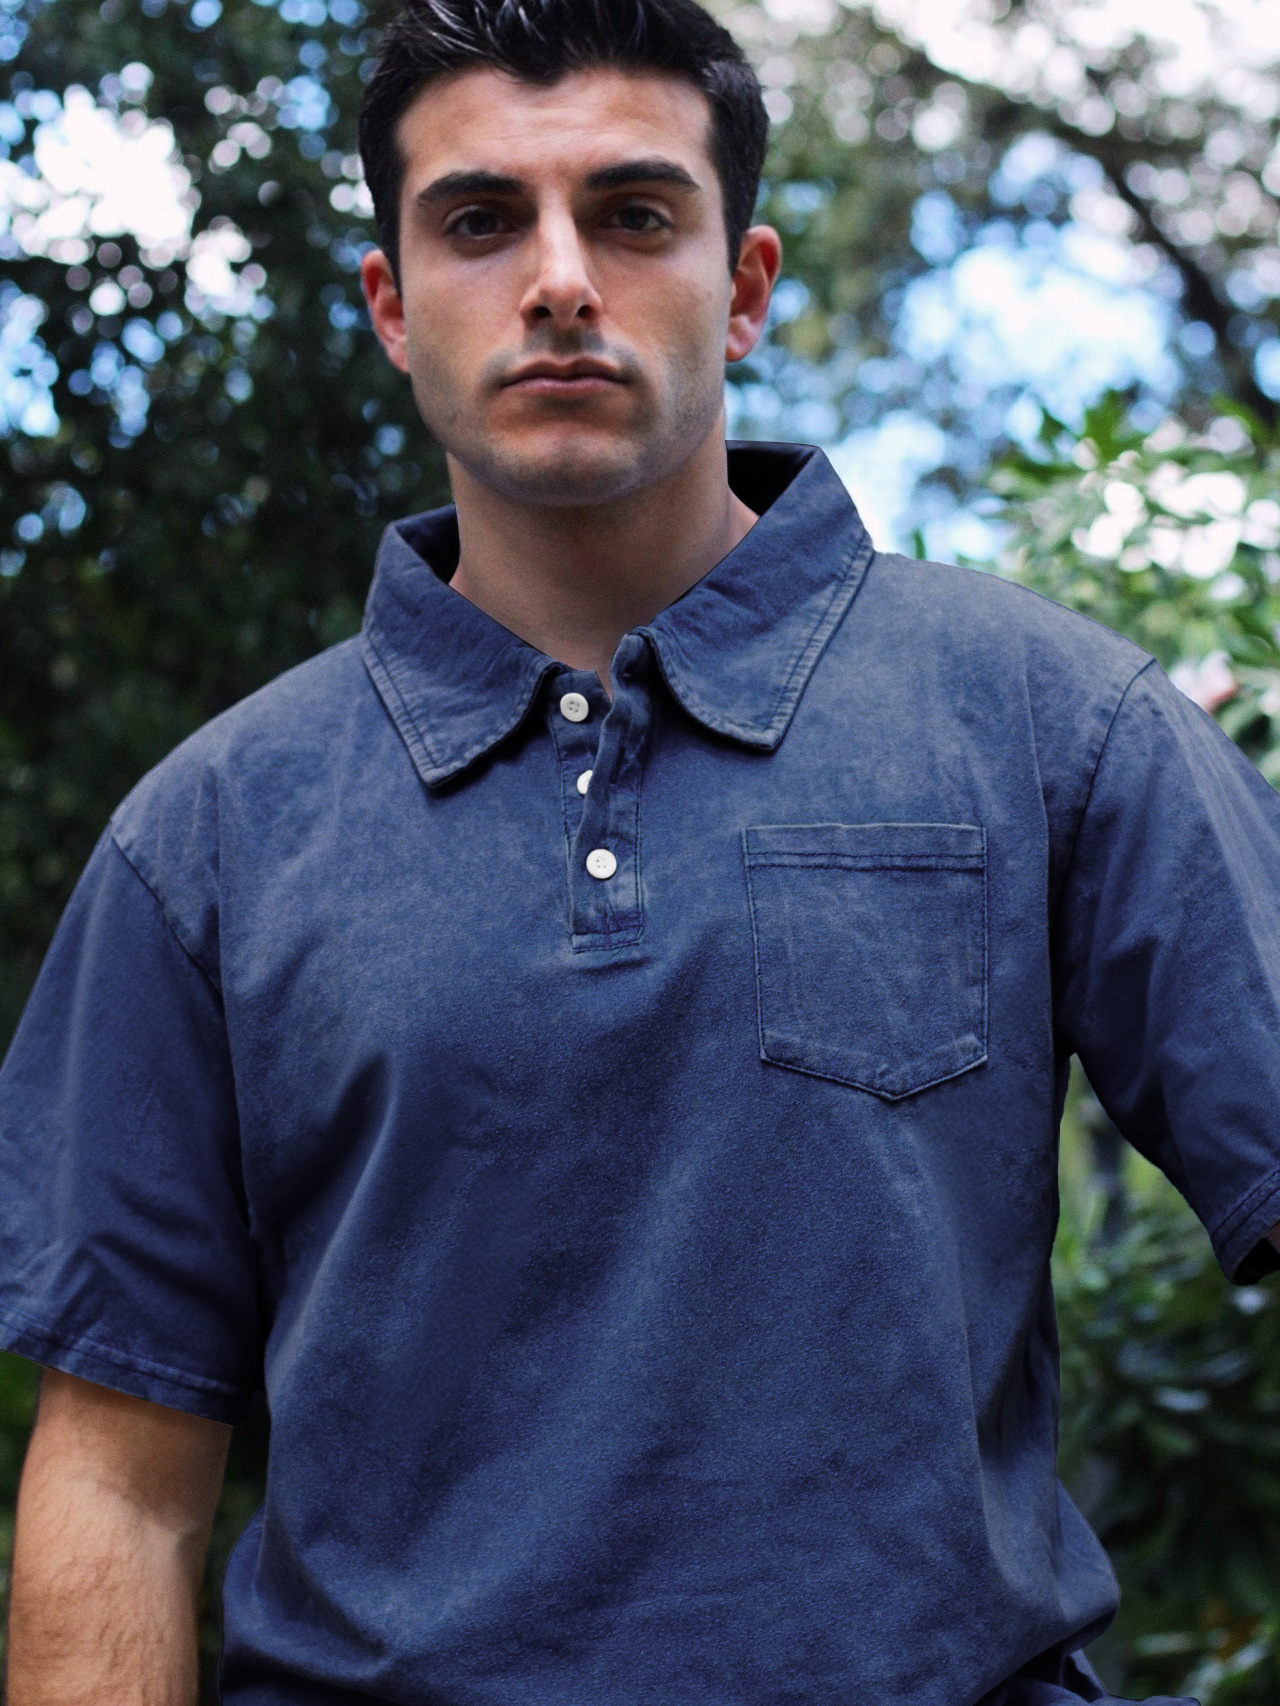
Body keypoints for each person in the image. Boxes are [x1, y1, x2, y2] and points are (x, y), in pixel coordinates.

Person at [2, 0, 1278, 1700]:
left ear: (743, 286)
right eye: (479, 221)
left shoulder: (1053, 722)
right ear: (391, 306)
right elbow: (119, 1489)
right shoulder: (208, 842)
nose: (557, 280)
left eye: (631, 213)